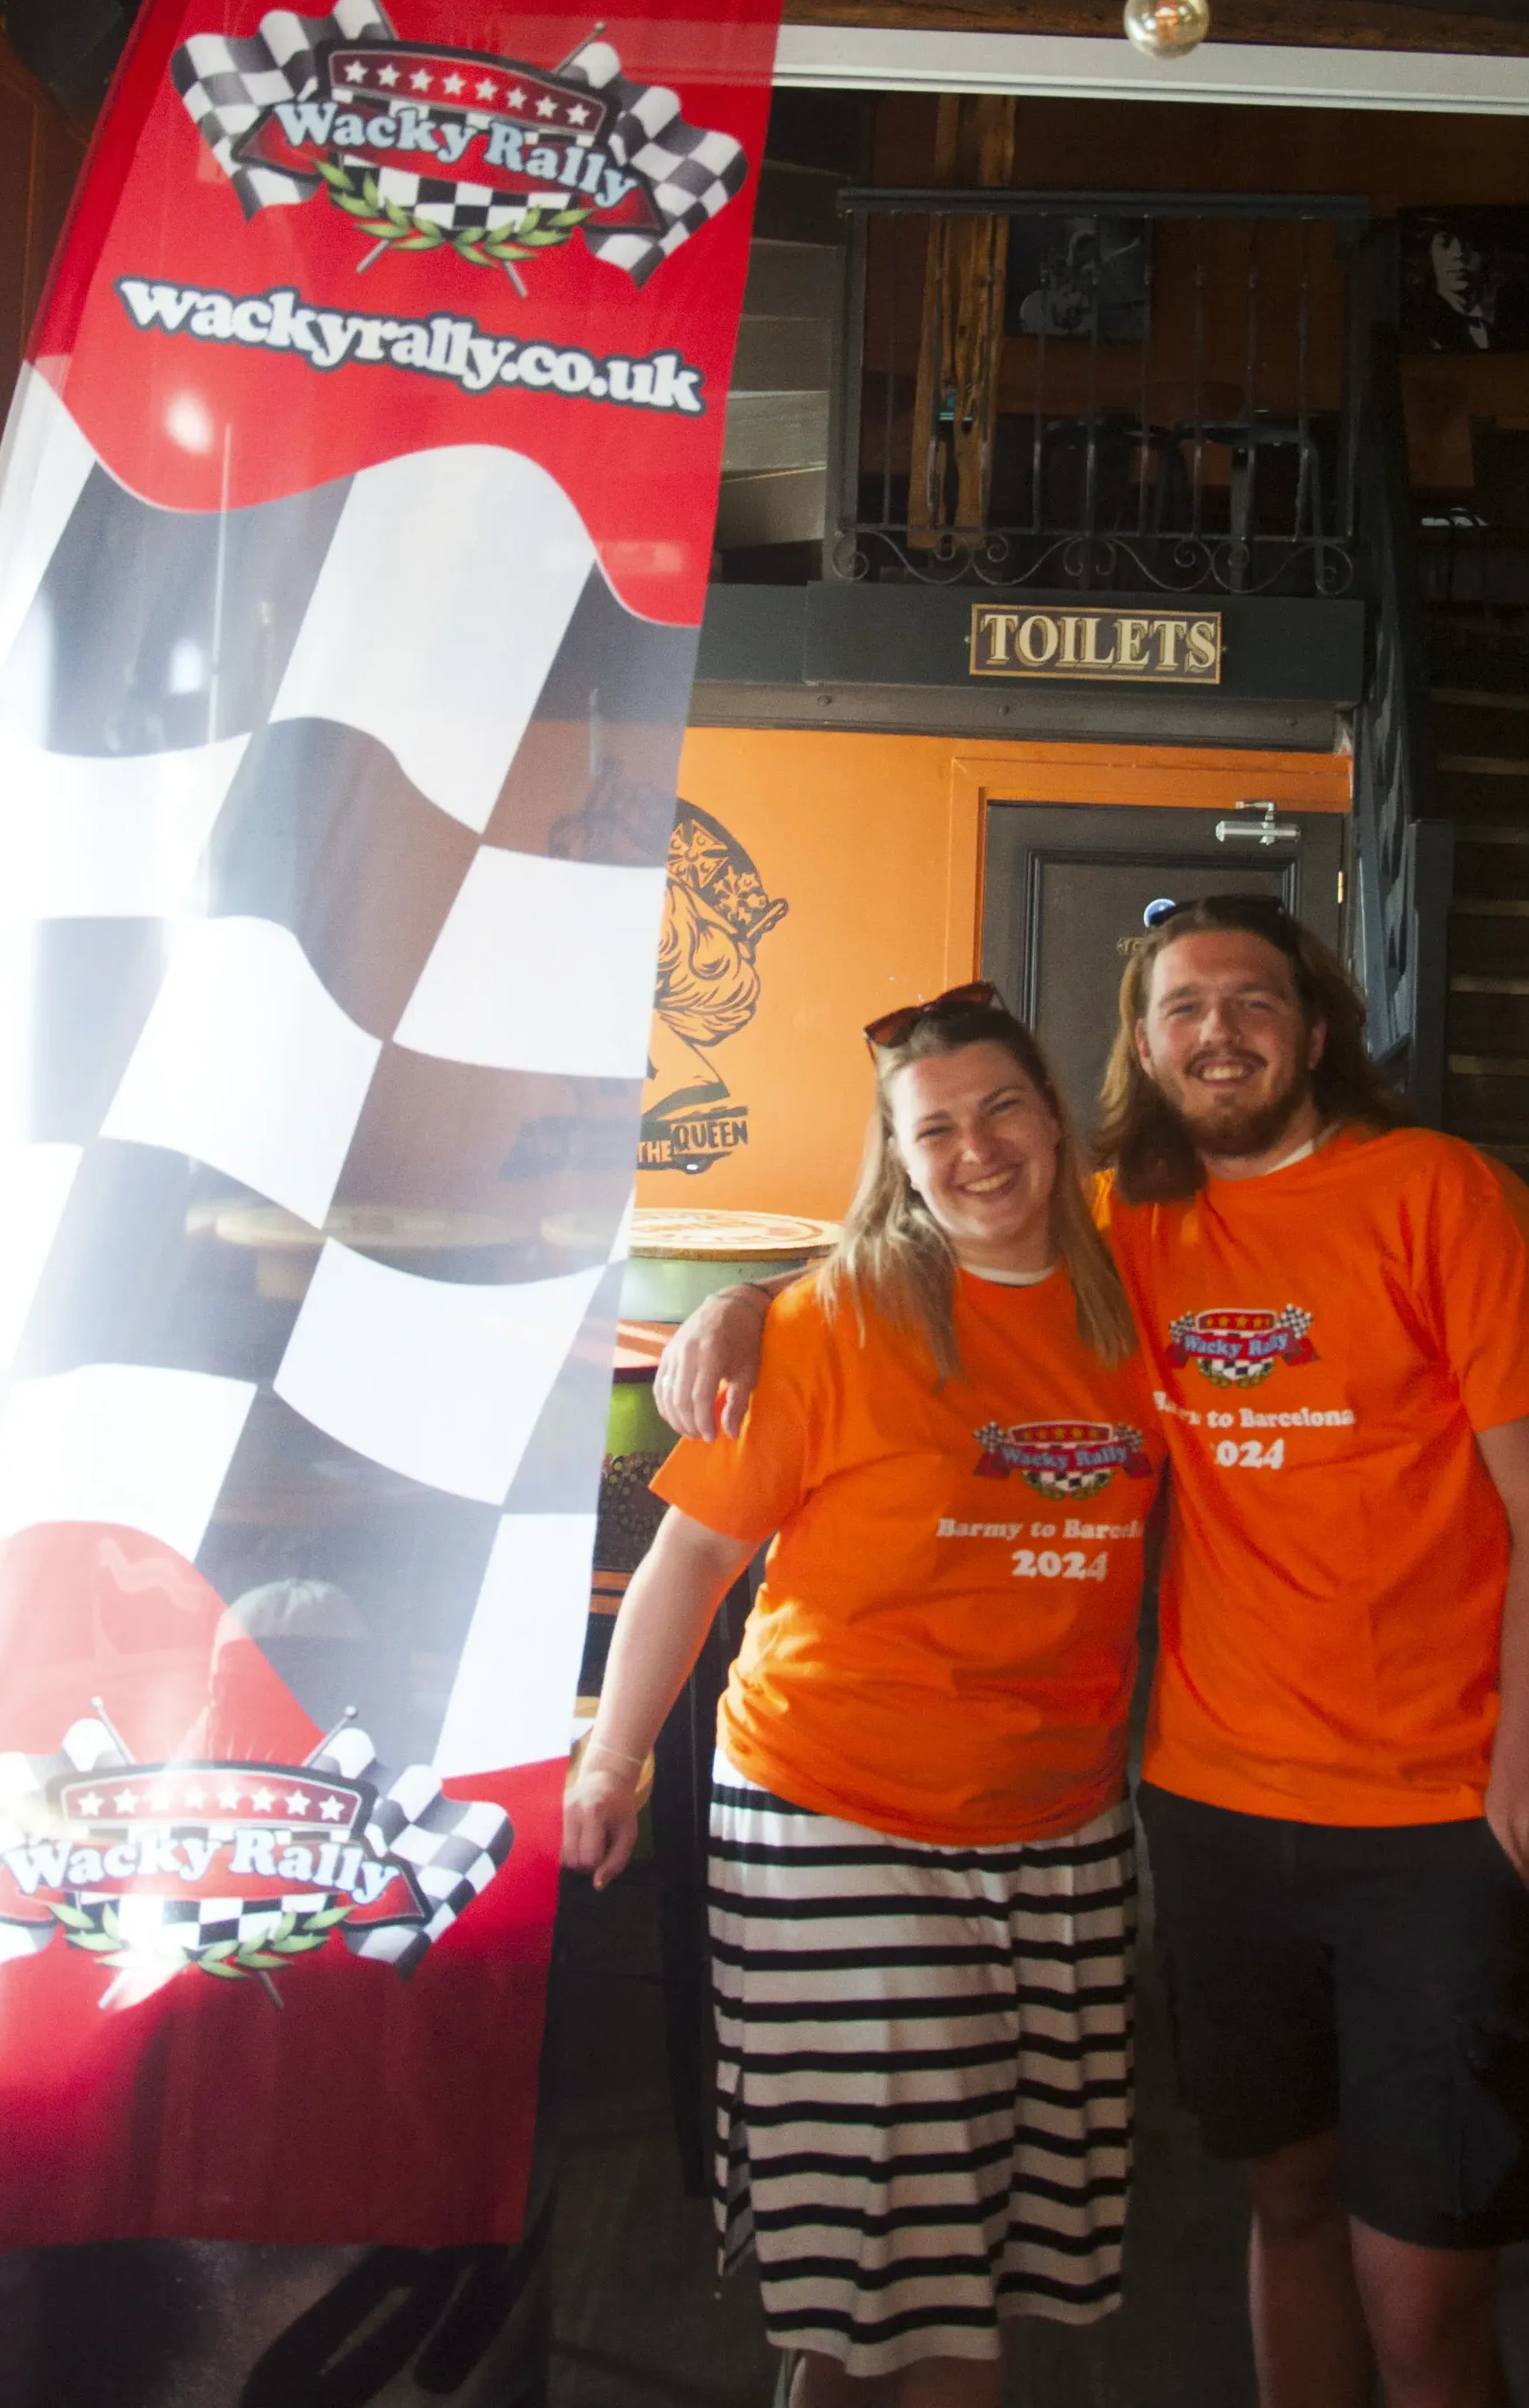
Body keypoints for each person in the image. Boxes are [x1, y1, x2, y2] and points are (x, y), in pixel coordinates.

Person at [659, 901, 1529, 2408]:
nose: (1215, 1031)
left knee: (1426, 2285)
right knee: (1283, 2209)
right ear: (1143, 1046)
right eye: (1179, 1009)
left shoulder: (1443, 1195)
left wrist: (1527, 1802)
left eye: (1249, 1000)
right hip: (1216, 1815)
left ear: (1315, 1022)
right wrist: (748, 1303)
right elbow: (949, 1228)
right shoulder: (1134, 1230)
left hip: (1435, 1814)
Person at [565, 988, 1154, 2408]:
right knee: (933, 2284)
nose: (979, 1150)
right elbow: (693, 1554)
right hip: (842, 1815)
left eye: (1004, 1107)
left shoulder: (1139, 1285)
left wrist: (742, 1290)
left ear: (1057, 1119)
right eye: (935, 1129)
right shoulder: (834, 1325)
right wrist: (611, 1762)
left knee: (926, 2257)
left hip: (1060, 1827)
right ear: (899, 1160)